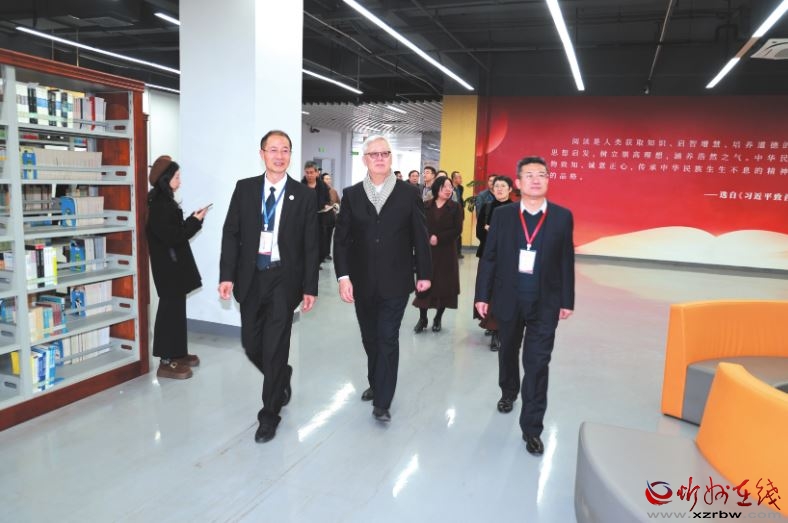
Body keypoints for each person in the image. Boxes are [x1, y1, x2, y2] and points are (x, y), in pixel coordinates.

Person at [219, 130, 319, 443]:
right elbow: (231, 233)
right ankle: (281, 375)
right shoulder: (245, 188)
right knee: (252, 344)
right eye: (273, 149)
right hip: (251, 277)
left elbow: (311, 245)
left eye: (285, 150)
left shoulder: (303, 195)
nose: (279, 156)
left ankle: (269, 414)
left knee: (276, 346)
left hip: (283, 279)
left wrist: (310, 287)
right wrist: (226, 275)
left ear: (290, 154)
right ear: (262, 153)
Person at [474, 156, 575, 456]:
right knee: (508, 349)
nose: (535, 179)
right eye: (529, 175)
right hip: (509, 297)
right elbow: (490, 256)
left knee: (538, 364)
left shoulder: (562, 217)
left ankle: (532, 428)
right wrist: (482, 295)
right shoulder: (503, 215)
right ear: (518, 183)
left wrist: (567, 299)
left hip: (545, 302)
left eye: (541, 174)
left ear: (548, 180)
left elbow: (566, 260)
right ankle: (508, 391)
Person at [334, 135, 432, 423]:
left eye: (385, 153)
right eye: (373, 154)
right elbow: (341, 240)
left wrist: (424, 273)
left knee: (387, 336)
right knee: (370, 337)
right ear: (365, 159)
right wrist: (343, 276)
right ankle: (376, 382)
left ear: (390, 158)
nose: (379, 158)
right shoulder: (352, 195)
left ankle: (383, 400)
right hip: (362, 281)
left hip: (396, 280)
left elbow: (420, 235)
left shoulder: (408, 193)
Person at [146, 155, 208, 380]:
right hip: (168, 266)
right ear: (166, 179)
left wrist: (192, 220)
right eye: (177, 177)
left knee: (177, 310)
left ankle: (178, 353)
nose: (180, 181)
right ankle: (166, 361)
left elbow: (174, 231)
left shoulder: (164, 201)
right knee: (169, 311)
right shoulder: (160, 204)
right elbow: (174, 236)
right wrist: (195, 222)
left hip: (173, 264)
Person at [412, 175, 462, 333]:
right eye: (444, 186)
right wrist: (427, 237)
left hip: (446, 253)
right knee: (424, 285)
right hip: (427, 252)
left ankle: (438, 318)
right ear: (436, 188)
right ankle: (423, 318)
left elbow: (457, 230)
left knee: (443, 286)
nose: (448, 189)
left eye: (450, 187)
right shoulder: (425, 205)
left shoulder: (455, 207)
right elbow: (418, 226)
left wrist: (439, 238)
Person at [473, 175, 514, 351]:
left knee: (501, 291)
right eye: (496, 186)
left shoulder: (515, 210)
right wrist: (492, 233)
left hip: (508, 258)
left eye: (503, 186)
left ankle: (497, 331)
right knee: (486, 289)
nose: (499, 189)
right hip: (487, 255)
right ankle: (489, 321)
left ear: (510, 189)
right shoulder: (487, 207)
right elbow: (479, 233)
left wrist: (493, 231)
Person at [302, 161, 331, 262]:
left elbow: (327, 200)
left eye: (311, 172)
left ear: (316, 173)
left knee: (320, 245)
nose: (309, 175)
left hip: (320, 220)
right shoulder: (301, 186)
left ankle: (317, 262)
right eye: (307, 172)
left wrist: (326, 205)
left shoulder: (323, 186)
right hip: (305, 221)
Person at [320, 172, 340, 261]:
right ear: (322, 180)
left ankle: (327, 253)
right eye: (326, 179)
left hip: (331, 218)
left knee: (329, 236)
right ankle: (321, 255)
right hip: (321, 218)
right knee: (322, 237)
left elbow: (338, 202)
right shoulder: (318, 191)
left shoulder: (333, 191)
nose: (328, 180)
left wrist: (336, 206)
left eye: (329, 179)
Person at [450, 171, 465, 258]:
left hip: (460, 212)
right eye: (459, 177)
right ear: (454, 179)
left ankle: (458, 252)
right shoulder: (449, 188)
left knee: (459, 232)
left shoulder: (460, 188)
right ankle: (453, 252)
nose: (461, 179)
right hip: (452, 214)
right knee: (453, 232)